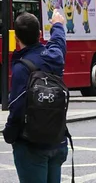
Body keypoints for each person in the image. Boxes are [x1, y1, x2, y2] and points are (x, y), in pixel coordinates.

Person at [3, 10, 68, 183]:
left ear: (16, 38)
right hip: (57, 140)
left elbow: (17, 107)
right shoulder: (54, 57)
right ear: (40, 34)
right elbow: (58, 42)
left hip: (31, 145)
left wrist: (9, 134)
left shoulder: (21, 68)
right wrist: (57, 25)